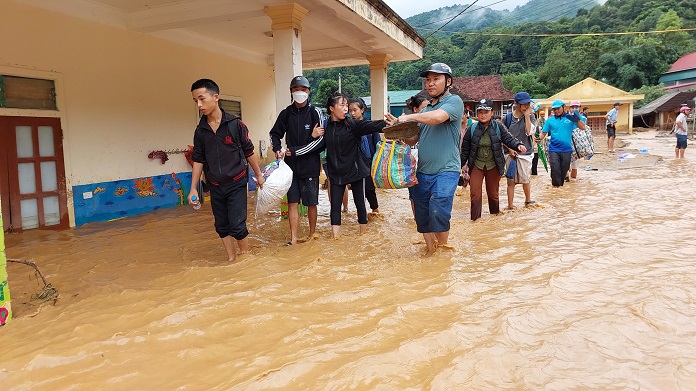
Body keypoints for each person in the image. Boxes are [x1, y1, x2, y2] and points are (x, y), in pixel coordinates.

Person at [188, 78, 265, 262]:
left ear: (215, 97)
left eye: (202, 99)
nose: (199, 105)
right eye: (195, 101)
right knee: (221, 226)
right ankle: (231, 259)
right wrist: (193, 188)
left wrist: (259, 175)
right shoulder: (201, 131)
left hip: (237, 182)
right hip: (215, 185)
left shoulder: (235, 125)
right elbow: (198, 160)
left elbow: (249, 151)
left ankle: (245, 258)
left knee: (237, 225)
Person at [396, 63, 463, 254]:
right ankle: (431, 251)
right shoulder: (424, 112)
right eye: (428, 80)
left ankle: (443, 250)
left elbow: (438, 118)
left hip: (447, 169)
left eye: (436, 79)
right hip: (423, 170)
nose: (430, 84)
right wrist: (397, 129)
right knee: (422, 214)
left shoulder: (454, 102)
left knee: (439, 209)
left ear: (448, 81)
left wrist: (410, 117)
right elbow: (413, 140)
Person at [323, 92, 392, 239]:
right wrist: (295, 151)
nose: (346, 109)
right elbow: (318, 147)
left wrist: (390, 123)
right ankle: (335, 238)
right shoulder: (325, 127)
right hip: (336, 172)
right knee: (335, 206)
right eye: (342, 105)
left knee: (360, 203)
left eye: (346, 105)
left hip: (356, 171)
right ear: (331, 108)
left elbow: (372, 125)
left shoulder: (352, 124)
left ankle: (363, 236)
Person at [269, 76, 325, 245]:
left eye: (303, 89)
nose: (299, 92)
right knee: (292, 202)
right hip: (290, 169)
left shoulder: (316, 112)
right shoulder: (286, 114)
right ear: (291, 92)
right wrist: (277, 149)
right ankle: (293, 238)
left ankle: (311, 235)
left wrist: (293, 151)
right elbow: (274, 134)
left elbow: (320, 142)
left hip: (310, 167)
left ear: (309, 92)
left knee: (311, 203)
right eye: (296, 89)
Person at [461, 98, 526, 221]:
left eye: (486, 112)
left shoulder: (498, 126)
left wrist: (518, 145)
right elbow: (465, 150)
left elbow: (508, 138)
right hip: (476, 165)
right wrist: (458, 166)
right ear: (477, 114)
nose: (483, 115)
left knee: (493, 195)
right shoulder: (472, 129)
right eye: (480, 112)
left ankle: (494, 220)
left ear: (492, 113)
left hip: (493, 165)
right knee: (475, 194)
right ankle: (475, 221)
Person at [538, 99, 587, 187]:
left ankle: (558, 189)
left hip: (566, 150)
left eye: (558, 108)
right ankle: (556, 189)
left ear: (563, 107)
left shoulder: (570, 118)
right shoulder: (550, 120)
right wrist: (539, 138)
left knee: (563, 172)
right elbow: (543, 132)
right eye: (554, 109)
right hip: (553, 149)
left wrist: (577, 119)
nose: (556, 111)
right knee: (555, 168)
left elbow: (583, 127)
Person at [503, 92, 536, 210]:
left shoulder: (531, 116)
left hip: (525, 154)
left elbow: (529, 132)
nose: (526, 106)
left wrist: (527, 116)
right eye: (523, 104)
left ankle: (528, 201)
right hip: (510, 154)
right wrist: (510, 149)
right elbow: (502, 137)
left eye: (528, 103)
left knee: (525, 178)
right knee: (510, 181)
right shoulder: (507, 118)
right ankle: (510, 206)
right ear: (516, 104)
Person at [349, 98, 381, 217]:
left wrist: (376, 161)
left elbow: (377, 144)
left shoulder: (370, 126)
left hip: (369, 161)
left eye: (355, 110)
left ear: (362, 110)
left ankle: (375, 209)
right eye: (350, 110)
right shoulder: (349, 126)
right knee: (357, 190)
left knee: (369, 188)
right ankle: (361, 215)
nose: (352, 113)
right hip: (355, 162)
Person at [567, 100, 585, 180]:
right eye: (572, 107)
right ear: (569, 108)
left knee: (574, 165)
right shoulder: (565, 118)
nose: (574, 109)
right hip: (566, 143)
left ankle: (573, 181)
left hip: (577, 145)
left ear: (579, 108)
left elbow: (583, 128)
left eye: (576, 107)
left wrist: (577, 119)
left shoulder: (583, 118)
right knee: (565, 163)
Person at [531, 110, 546, 176]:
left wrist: (541, 148)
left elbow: (542, 138)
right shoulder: (523, 128)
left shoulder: (538, 128)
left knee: (534, 169)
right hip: (526, 151)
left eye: (533, 118)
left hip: (535, 150)